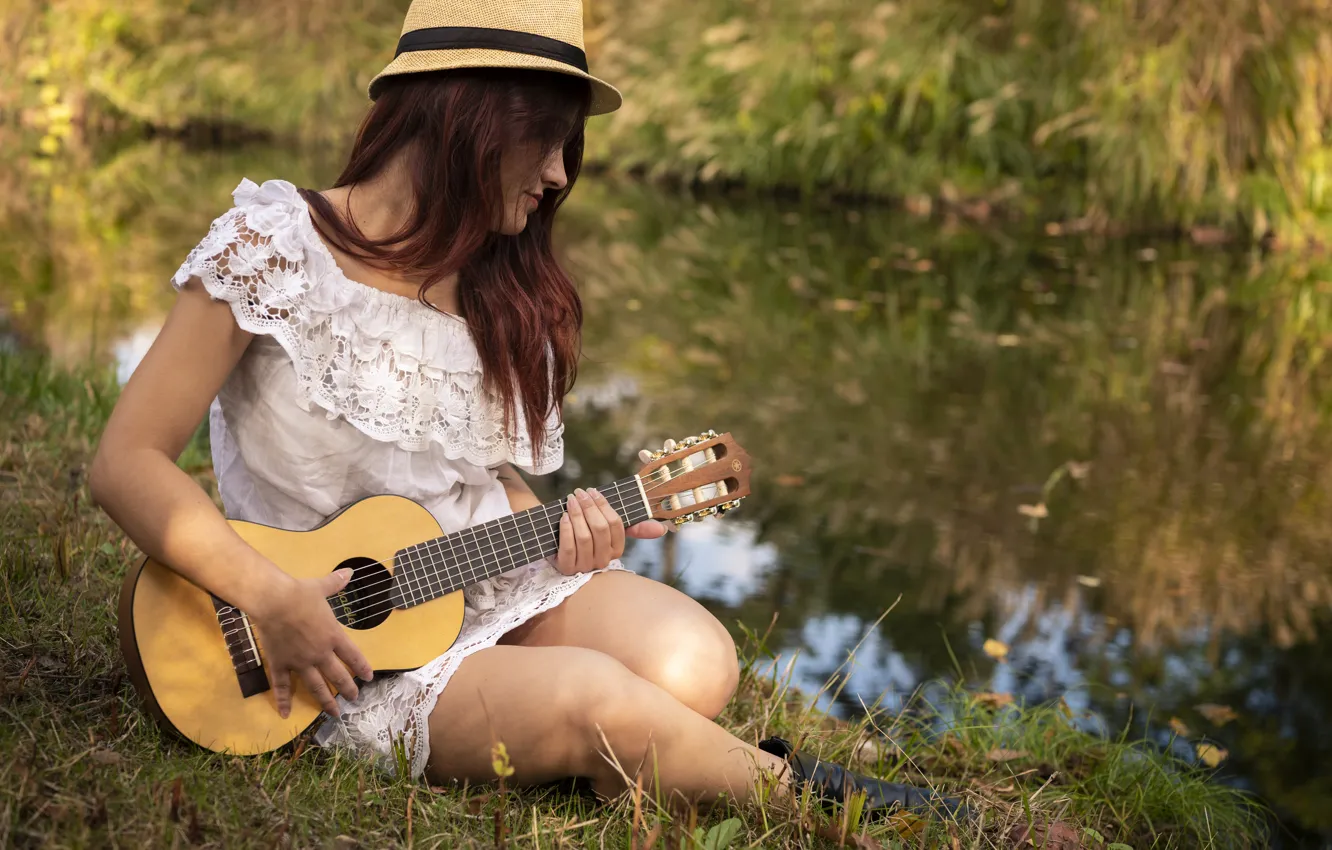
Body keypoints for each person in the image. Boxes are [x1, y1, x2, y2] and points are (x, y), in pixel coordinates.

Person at [90, 0, 954, 818]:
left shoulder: (501, 290)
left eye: (566, 148)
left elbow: (483, 480)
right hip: (325, 652)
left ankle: (593, 733)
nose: (556, 175)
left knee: (696, 659)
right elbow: (125, 463)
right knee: (597, 699)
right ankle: (817, 798)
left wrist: (569, 538)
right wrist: (271, 599)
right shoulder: (275, 246)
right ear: (467, 116)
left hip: (467, 588)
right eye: (545, 140)